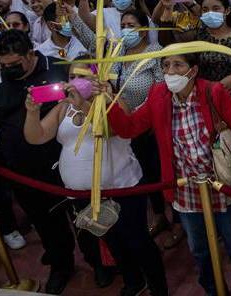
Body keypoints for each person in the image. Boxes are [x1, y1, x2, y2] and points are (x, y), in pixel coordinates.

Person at [107, 52, 231, 296]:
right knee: (199, 250)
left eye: (178, 65)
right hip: (186, 191)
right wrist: (108, 101)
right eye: (166, 65)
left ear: (193, 70)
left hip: (223, 188)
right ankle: (214, 290)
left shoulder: (213, 92)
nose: (170, 72)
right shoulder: (158, 95)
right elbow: (130, 128)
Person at [23, 65, 168, 296]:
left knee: (137, 240)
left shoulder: (113, 101)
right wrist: (32, 112)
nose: (75, 81)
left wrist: (85, 104)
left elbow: (112, 130)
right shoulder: (62, 107)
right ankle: (133, 281)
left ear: (97, 79)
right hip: (83, 194)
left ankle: (159, 288)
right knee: (111, 240)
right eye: (72, 76)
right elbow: (37, 136)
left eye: (83, 77)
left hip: (122, 188)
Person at [0, 29, 77, 294]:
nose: (8, 70)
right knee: (44, 221)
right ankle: (61, 263)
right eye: (3, 65)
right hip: (21, 170)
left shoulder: (59, 71)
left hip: (67, 162)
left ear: (31, 53)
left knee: (80, 218)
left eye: (15, 64)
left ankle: (98, 262)